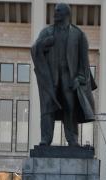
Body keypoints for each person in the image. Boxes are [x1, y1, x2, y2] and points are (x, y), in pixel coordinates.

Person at [31, 2, 96, 146]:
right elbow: (34, 49)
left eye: (58, 11)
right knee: (47, 107)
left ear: (67, 14)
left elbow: (84, 62)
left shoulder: (78, 35)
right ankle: (46, 139)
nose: (55, 14)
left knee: (70, 107)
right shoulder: (47, 32)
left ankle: (72, 139)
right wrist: (43, 44)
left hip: (70, 78)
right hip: (51, 77)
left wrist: (80, 78)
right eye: (55, 11)